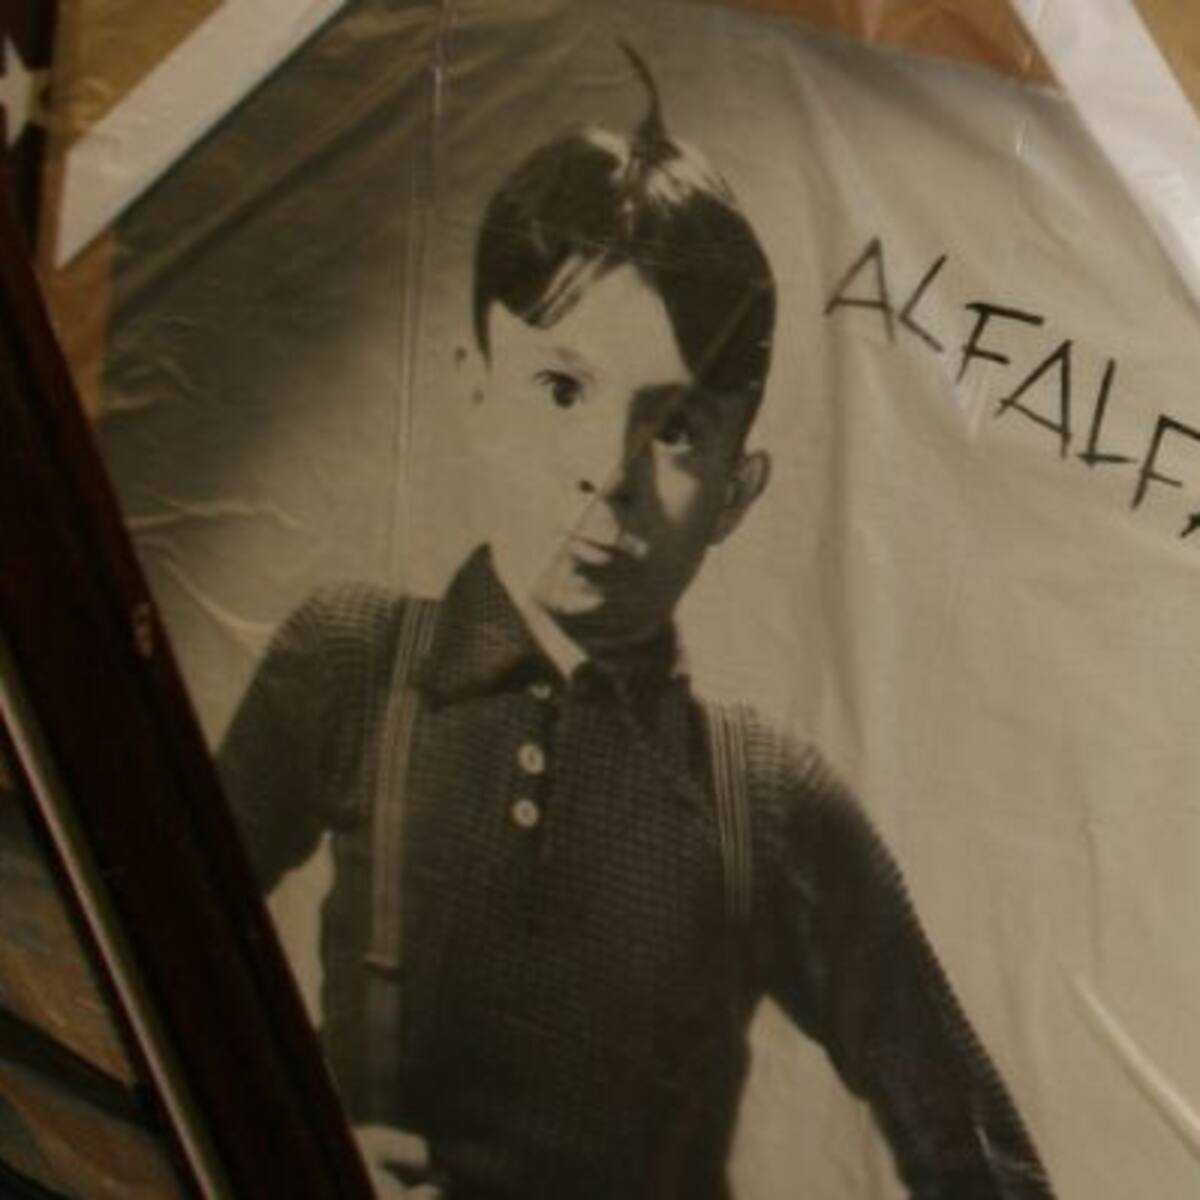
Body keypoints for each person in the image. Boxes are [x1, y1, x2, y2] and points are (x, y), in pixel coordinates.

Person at [219, 47, 1055, 1200]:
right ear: (473, 389)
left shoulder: (764, 798)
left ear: (738, 491)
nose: (607, 475)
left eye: (674, 431)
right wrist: (282, 1137)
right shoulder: (354, 662)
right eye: (562, 390)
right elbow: (139, 930)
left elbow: (988, 1165)